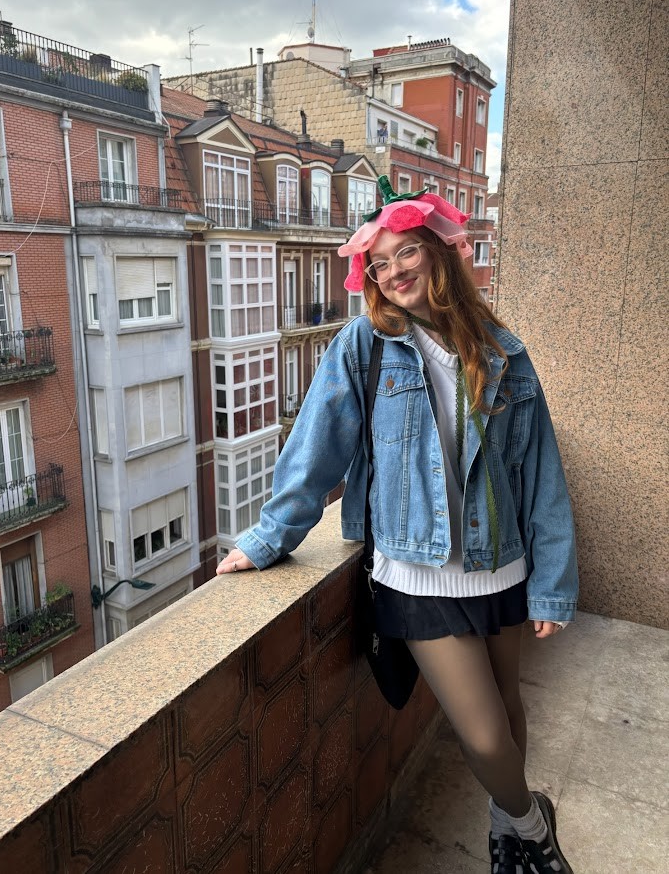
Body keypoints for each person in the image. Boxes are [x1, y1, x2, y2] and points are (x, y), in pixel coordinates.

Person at [217, 176, 578, 874]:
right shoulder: (367, 344)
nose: (392, 271)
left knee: (505, 711)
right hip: (414, 571)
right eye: (378, 263)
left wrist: (552, 583)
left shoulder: (502, 350)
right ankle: (534, 829)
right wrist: (267, 538)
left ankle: (505, 835)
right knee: (480, 734)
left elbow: (540, 474)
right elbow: (316, 445)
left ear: (440, 252)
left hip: (502, 560)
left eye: (404, 251)